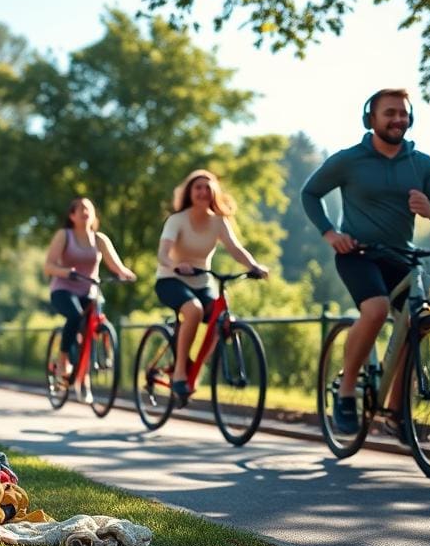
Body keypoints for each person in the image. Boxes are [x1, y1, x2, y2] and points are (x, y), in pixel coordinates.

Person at [301, 88, 430, 436]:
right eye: (389, 113)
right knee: (375, 309)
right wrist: (330, 233)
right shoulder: (349, 159)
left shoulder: (422, 163)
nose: (397, 119)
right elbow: (309, 193)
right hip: (358, 255)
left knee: (419, 323)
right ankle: (345, 393)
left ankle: (398, 411)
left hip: (402, 257)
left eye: (403, 113)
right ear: (371, 119)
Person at [154, 170, 268, 407]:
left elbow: (236, 250)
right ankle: (180, 372)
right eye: (198, 187)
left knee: (222, 322)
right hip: (171, 279)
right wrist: (176, 266)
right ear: (189, 192)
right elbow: (163, 254)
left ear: (214, 192)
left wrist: (254, 266)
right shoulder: (177, 220)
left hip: (202, 281)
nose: (203, 192)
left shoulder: (218, 222)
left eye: (208, 187)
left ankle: (195, 371)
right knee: (193, 310)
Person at [43, 197, 137, 401]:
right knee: (75, 316)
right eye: (81, 209)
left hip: (89, 292)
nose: (86, 212)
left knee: (91, 330)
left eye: (89, 209)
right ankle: (63, 362)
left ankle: (85, 377)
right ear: (72, 215)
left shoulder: (100, 239)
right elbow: (48, 266)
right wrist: (66, 272)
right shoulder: (64, 235)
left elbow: (117, 266)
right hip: (63, 289)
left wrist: (126, 274)